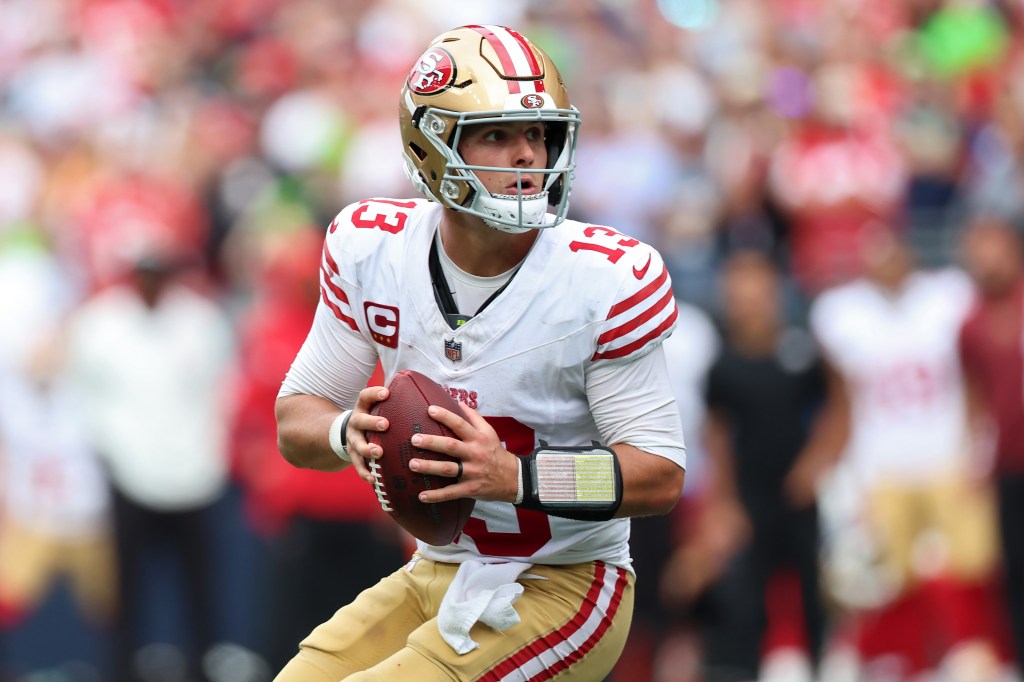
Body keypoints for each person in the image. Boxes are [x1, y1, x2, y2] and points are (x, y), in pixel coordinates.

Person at [273, 24, 686, 681]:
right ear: (432, 141)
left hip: (568, 584)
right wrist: (349, 432)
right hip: (437, 571)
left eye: (540, 133)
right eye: (498, 134)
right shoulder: (371, 248)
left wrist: (518, 477)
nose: (528, 154)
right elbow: (296, 420)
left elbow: (659, 474)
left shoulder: (603, 278)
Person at [809, 226, 1002, 681]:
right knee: (887, 573)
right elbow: (841, 398)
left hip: (948, 453)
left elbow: (977, 376)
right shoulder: (842, 313)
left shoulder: (949, 297)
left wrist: (981, 442)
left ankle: (974, 654)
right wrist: (841, 464)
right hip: (881, 462)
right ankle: (903, 659)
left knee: (970, 563)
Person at [65, 241, 236, 682]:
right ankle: (121, 669)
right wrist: (112, 451)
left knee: (199, 588)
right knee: (125, 590)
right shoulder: (99, 324)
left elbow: (223, 393)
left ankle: (202, 667)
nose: (151, 281)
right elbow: (84, 397)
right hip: (128, 475)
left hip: (194, 476)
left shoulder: (201, 321)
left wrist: (210, 456)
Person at [684, 250, 841, 682]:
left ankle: (821, 666)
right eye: (738, 288)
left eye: (756, 286)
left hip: (799, 494)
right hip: (750, 498)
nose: (747, 297)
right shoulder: (723, 365)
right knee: (747, 602)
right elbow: (715, 436)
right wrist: (725, 503)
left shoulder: (801, 348)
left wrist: (817, 462)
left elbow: (840, 401)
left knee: (813, 592)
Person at [958, 214, 1024, 678]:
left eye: (992, 245)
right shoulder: (972, 323)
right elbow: (974, 395)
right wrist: (975, 453)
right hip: (1009, 464)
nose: (985, 257)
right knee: (1015, 570)